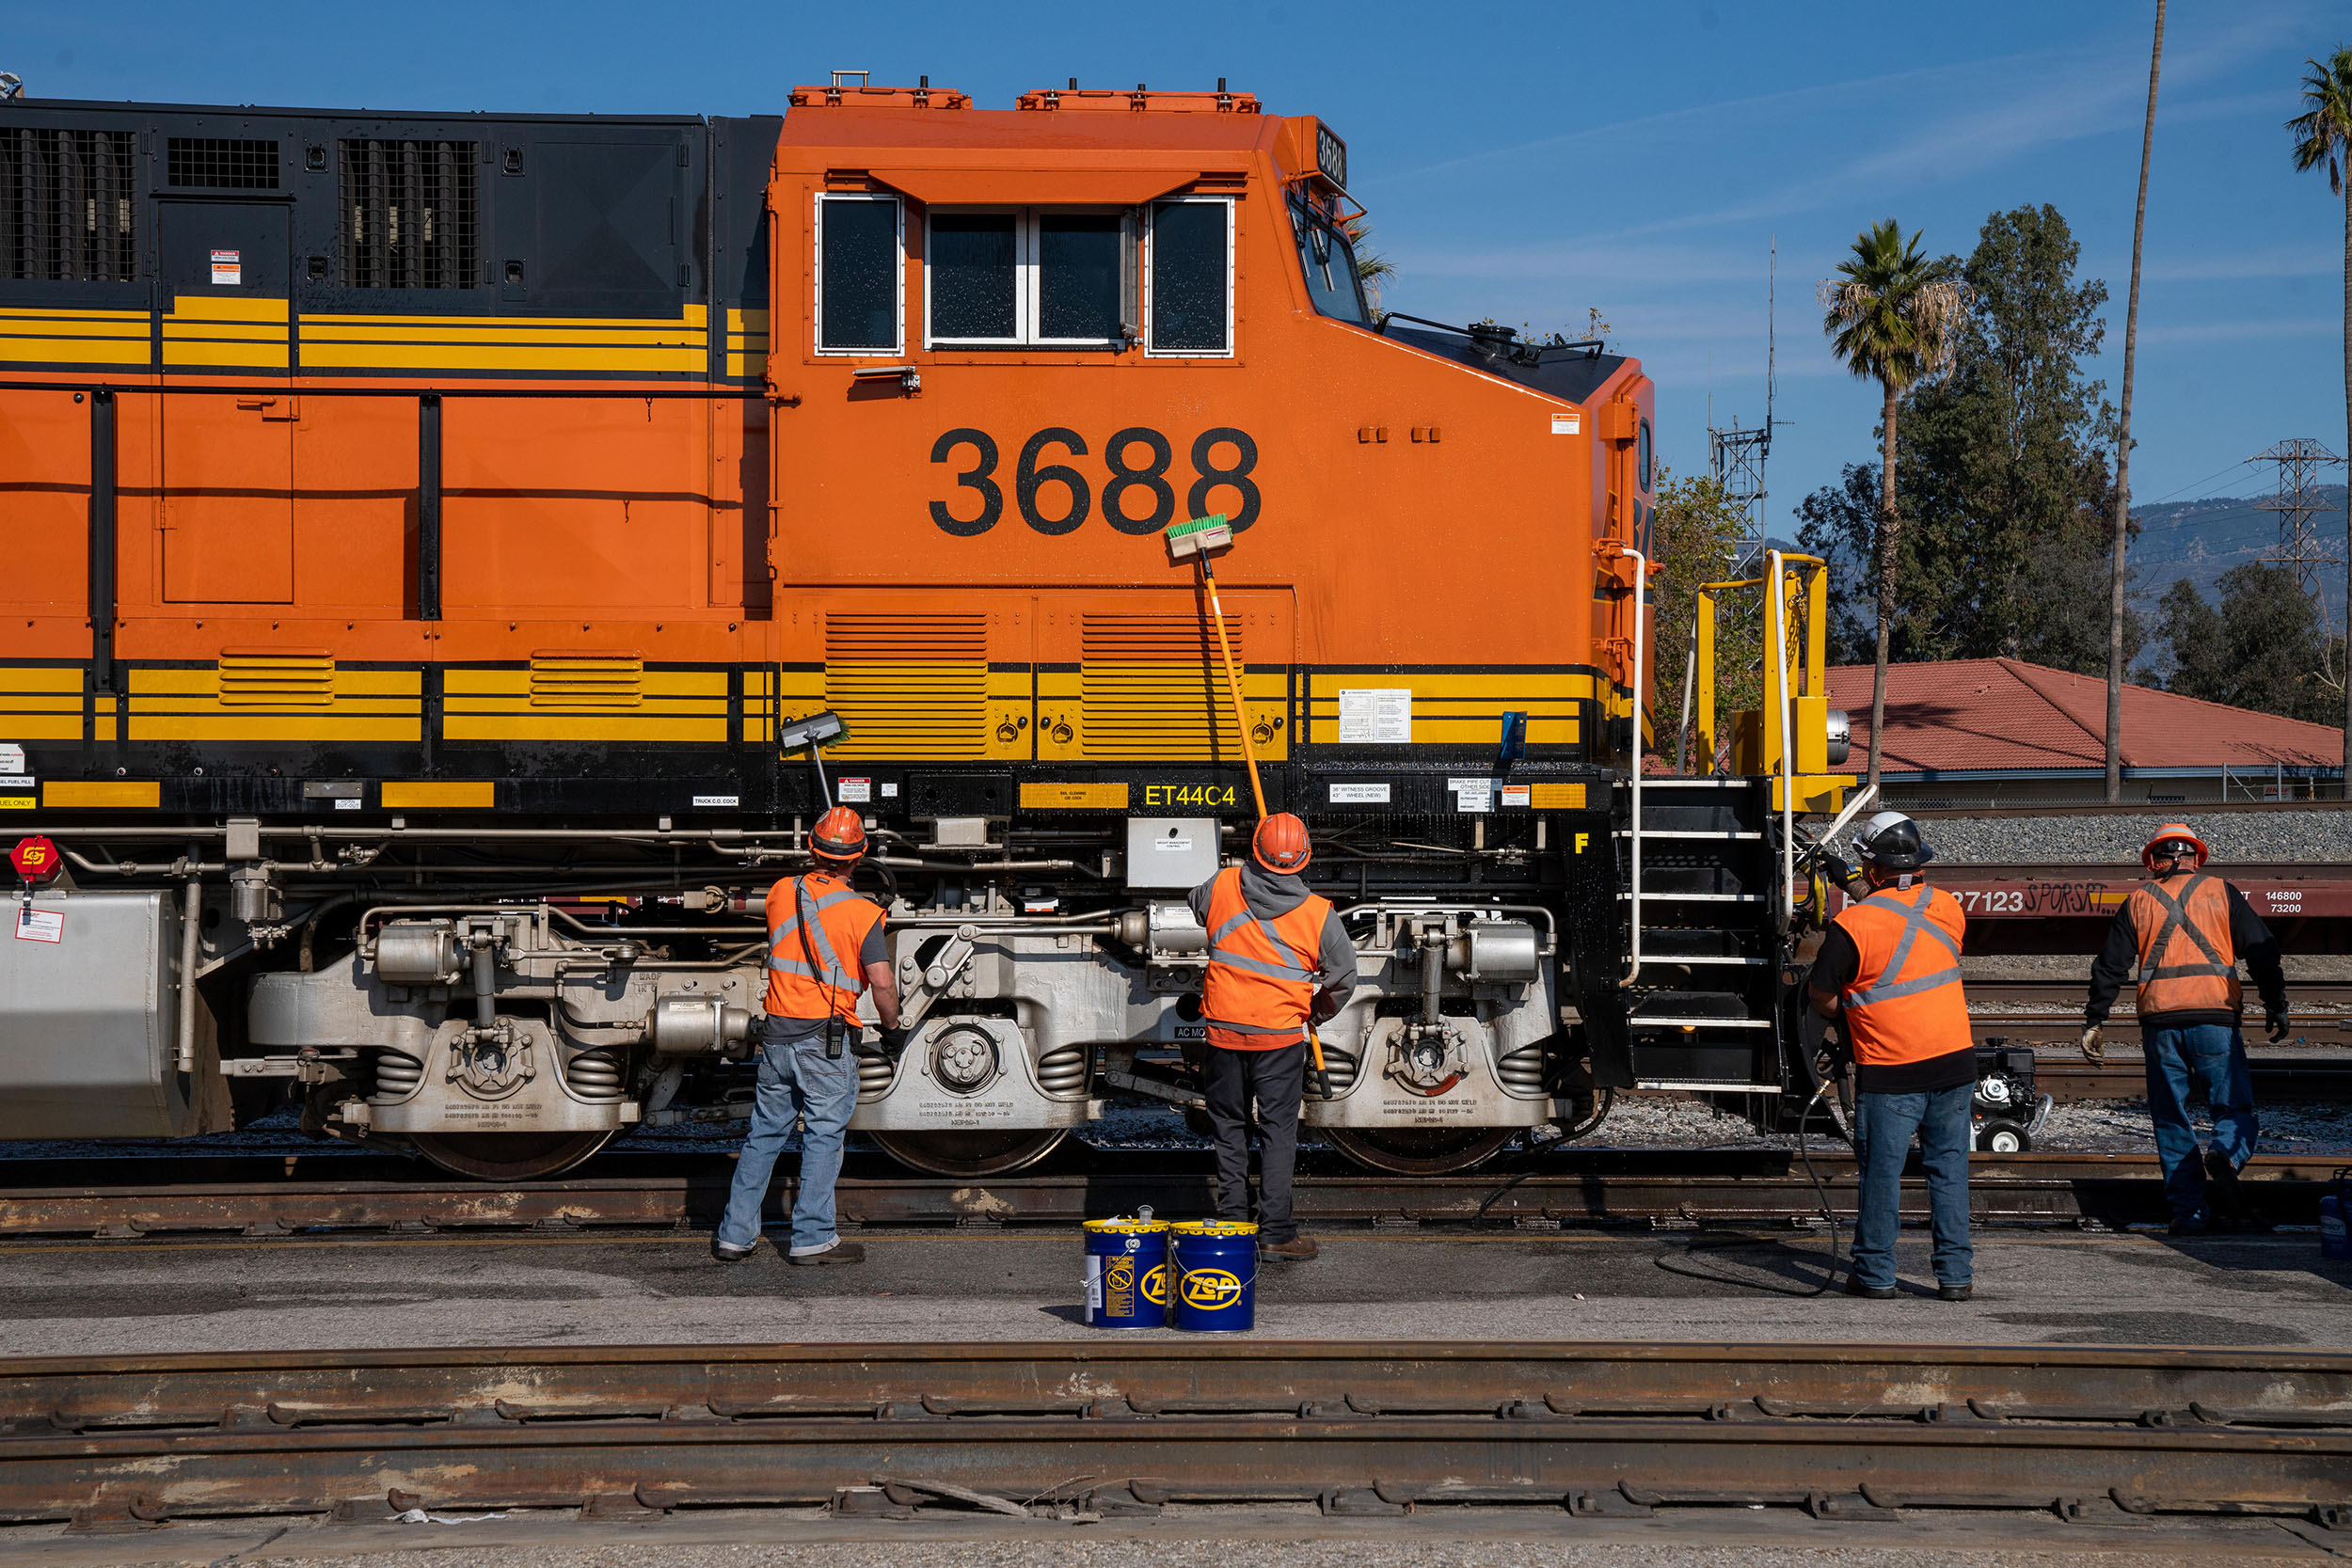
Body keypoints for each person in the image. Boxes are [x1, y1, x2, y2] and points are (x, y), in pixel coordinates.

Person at [714, 805, 904, 1265]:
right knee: (822, 1137)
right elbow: (881, 983)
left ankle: (734, 1237)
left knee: (764, 1135)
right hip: (827, 1040)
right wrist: (895, 1030)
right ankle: (812, 1238)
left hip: (777, 1036)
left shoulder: (782, 892)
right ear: (859, 857)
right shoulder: (864, 913)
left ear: (812, 850)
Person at [2082, 823, 2287, 1235]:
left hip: (2160, 1023)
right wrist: (2275, 1003)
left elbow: (2111, 964)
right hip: (2215, 1018)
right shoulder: (2220, 891)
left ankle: (2188, 1213)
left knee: (2170, 1117)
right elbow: (2262, 950)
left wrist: (2095, 1019)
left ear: (2154, 862)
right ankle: (2226, 1155)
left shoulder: (2138, 900)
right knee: (2232, 1107)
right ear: (2196, 858)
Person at [1807, 811, 1974, 1302]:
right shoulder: (1948, 907)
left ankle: (1877, 1276)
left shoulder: (1850, 925)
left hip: (1892, 1069)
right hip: (1955, 1063)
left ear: (1873, 868)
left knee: (1882, 1174)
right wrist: (1851, 877)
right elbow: (1901, 914)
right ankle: (1955, 1277)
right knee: (1949, 1170)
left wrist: (1849, 1014)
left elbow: (1822, 995)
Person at [1188, 812, 1357, 1262]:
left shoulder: (1221, 884)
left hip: (1223, 1034)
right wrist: (1315, 1010)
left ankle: (1232, 1227)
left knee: (1229, 1128)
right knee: (1277, 1132)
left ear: (1255, 849)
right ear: (1304, 859)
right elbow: (1343, 979)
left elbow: (1196, 903)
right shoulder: (1320, 915)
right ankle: (1276, 1233)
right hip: (1280, 1038)